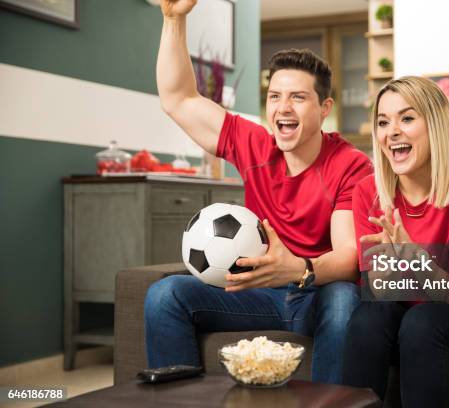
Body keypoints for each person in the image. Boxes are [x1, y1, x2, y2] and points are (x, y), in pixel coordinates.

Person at [144, 0, 372, 384]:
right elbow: (178, 99)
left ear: (324, 107)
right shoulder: (254, 144)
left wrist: (298, 268)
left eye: (298, 97)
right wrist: (173, 18)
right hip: (259, 294)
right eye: (275, 96)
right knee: (165, 295)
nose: (284, 107)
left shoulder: (350, 164)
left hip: (317, 291)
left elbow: (348, 256)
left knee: (345, 300)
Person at [341, 76, 449, 406]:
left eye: (407, 118)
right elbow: (377, 291)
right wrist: (387, 265)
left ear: (435, 127)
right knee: (368, 317)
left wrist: (413, 260)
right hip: (410, 318)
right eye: (383, 122)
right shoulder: (369, 192)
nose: (391, 131)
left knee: (423, 321)